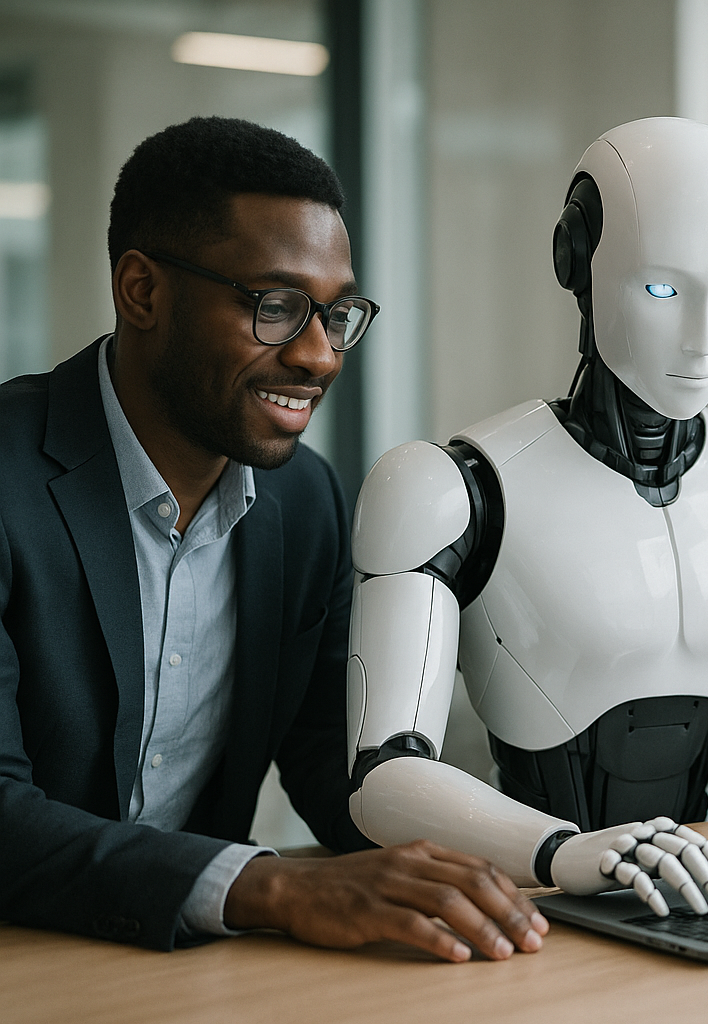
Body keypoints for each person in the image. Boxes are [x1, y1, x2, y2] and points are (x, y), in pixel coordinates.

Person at [0, 116, 546, 959]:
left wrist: (553, 850)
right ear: (142, 291)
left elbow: (339, 772)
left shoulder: (306, 502)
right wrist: (276, 886)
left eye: (336, 314)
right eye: (277, 306)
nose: (321, 357)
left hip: (184, 974)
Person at [342, 117, 708, 917]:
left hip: (705, 887)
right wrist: (560, 852)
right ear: (576, 261)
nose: (705, 339)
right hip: (528, 895)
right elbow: (380, 776)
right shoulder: (451, 489)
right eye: (664, 290)